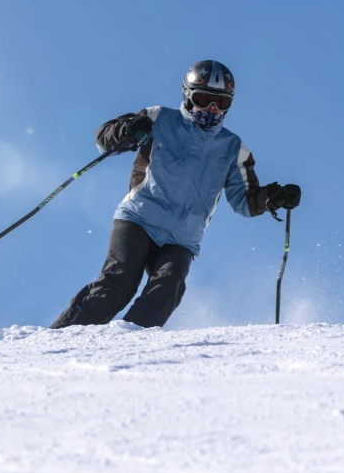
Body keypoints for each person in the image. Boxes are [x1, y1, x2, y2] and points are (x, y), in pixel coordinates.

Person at [50, 60, 301, 329]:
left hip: (181, 238)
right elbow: (104, 138)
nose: (212, 109)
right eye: (204, 99)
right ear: (187, 94)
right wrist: (129, 130)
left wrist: (273, 197)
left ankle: (127, 345)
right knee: (118, 284)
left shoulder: (233, 148)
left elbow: (245, 201)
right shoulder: (159, 118)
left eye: (221, 103)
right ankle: (60, 339)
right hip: (139, 218)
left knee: (168, 288)